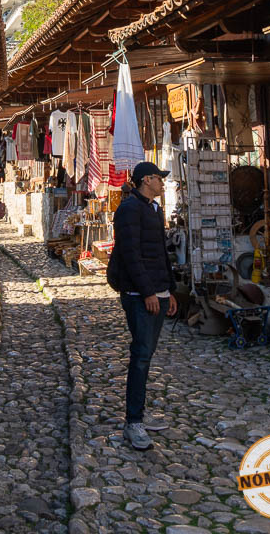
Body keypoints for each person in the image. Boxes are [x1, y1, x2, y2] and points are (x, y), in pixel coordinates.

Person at [108, 162, 177, 451]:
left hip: (157, 292)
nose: (163, 183)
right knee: (140, 355)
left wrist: (169, 290)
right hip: (139, 294)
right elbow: (131, 254)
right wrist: (148, 291)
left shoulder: (154, 209)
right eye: (159, 179)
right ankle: (133, 422)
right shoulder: (129, 209)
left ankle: (139, 413)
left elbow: (160, 253)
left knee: (147, 355)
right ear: (146, 180)